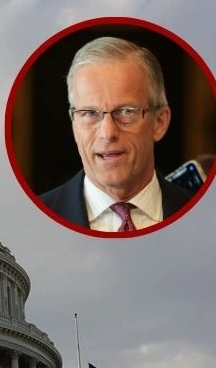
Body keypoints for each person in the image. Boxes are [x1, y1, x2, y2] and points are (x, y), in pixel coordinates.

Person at [39, 36, 193, 232]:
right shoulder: (37, 219)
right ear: (74, 124)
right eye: (89, 113)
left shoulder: (206, 216)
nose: (108, 133)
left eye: (126, 112)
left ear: (159, 122)